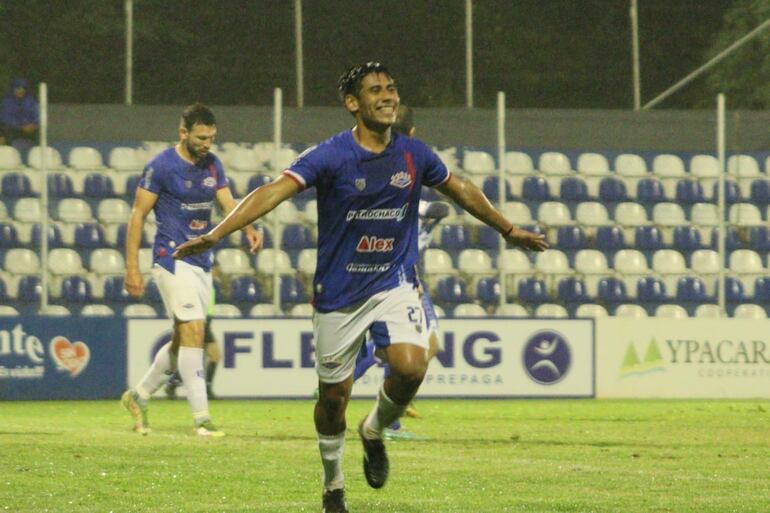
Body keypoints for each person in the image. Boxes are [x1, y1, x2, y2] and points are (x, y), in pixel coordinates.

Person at [173, 62, 547, 512]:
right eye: (375, 90)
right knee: (333, 399)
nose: (387, 96)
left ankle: (373, 430)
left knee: (411, 366)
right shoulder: (330, 155)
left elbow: (460, 188)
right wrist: (217, 233)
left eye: (391, 88)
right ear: (353, 103)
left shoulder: (413, 154)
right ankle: (333, 484)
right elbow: (271, 192)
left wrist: (508, 229)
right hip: (339, 293)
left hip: (394, 281)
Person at [121, 103, 261, 437]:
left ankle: (138, 395)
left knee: (181, 340)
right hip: (171, 259)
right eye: (200, 138)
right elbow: (138, 215)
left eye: (211, 137)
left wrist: (248, 227)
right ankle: (201, 418)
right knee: (195, 331)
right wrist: (132, 267)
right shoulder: (161, 166)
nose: (207, 144)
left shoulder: (213, 164)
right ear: (183, 133)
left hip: (200, 262)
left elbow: (228, 204)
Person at [352, 105, 449, 440]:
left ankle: (376, 395)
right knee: (422, 346)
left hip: (403, 274)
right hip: (401, 276)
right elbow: (440, 207)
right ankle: (384, 415)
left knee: (423, 346)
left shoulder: (388, 176)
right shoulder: (403, 180)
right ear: (412, 135)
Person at [165, 286, 221, 400]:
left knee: (209, 357)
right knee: (208, 356)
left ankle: (173, 384)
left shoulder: (208, 282)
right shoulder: (197, 282)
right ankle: (174, 384)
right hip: (198, 320)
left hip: (205, 321)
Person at [0, 78, 39, 146]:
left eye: (23, 88)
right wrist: (21, 127)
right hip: (13, 129)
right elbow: (5, 119)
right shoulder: (6, 102)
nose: (21, 90)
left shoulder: (31, 101)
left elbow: (36, 115)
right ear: (13, 89)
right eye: (18, 88)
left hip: (30, 129)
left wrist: (34, 124)